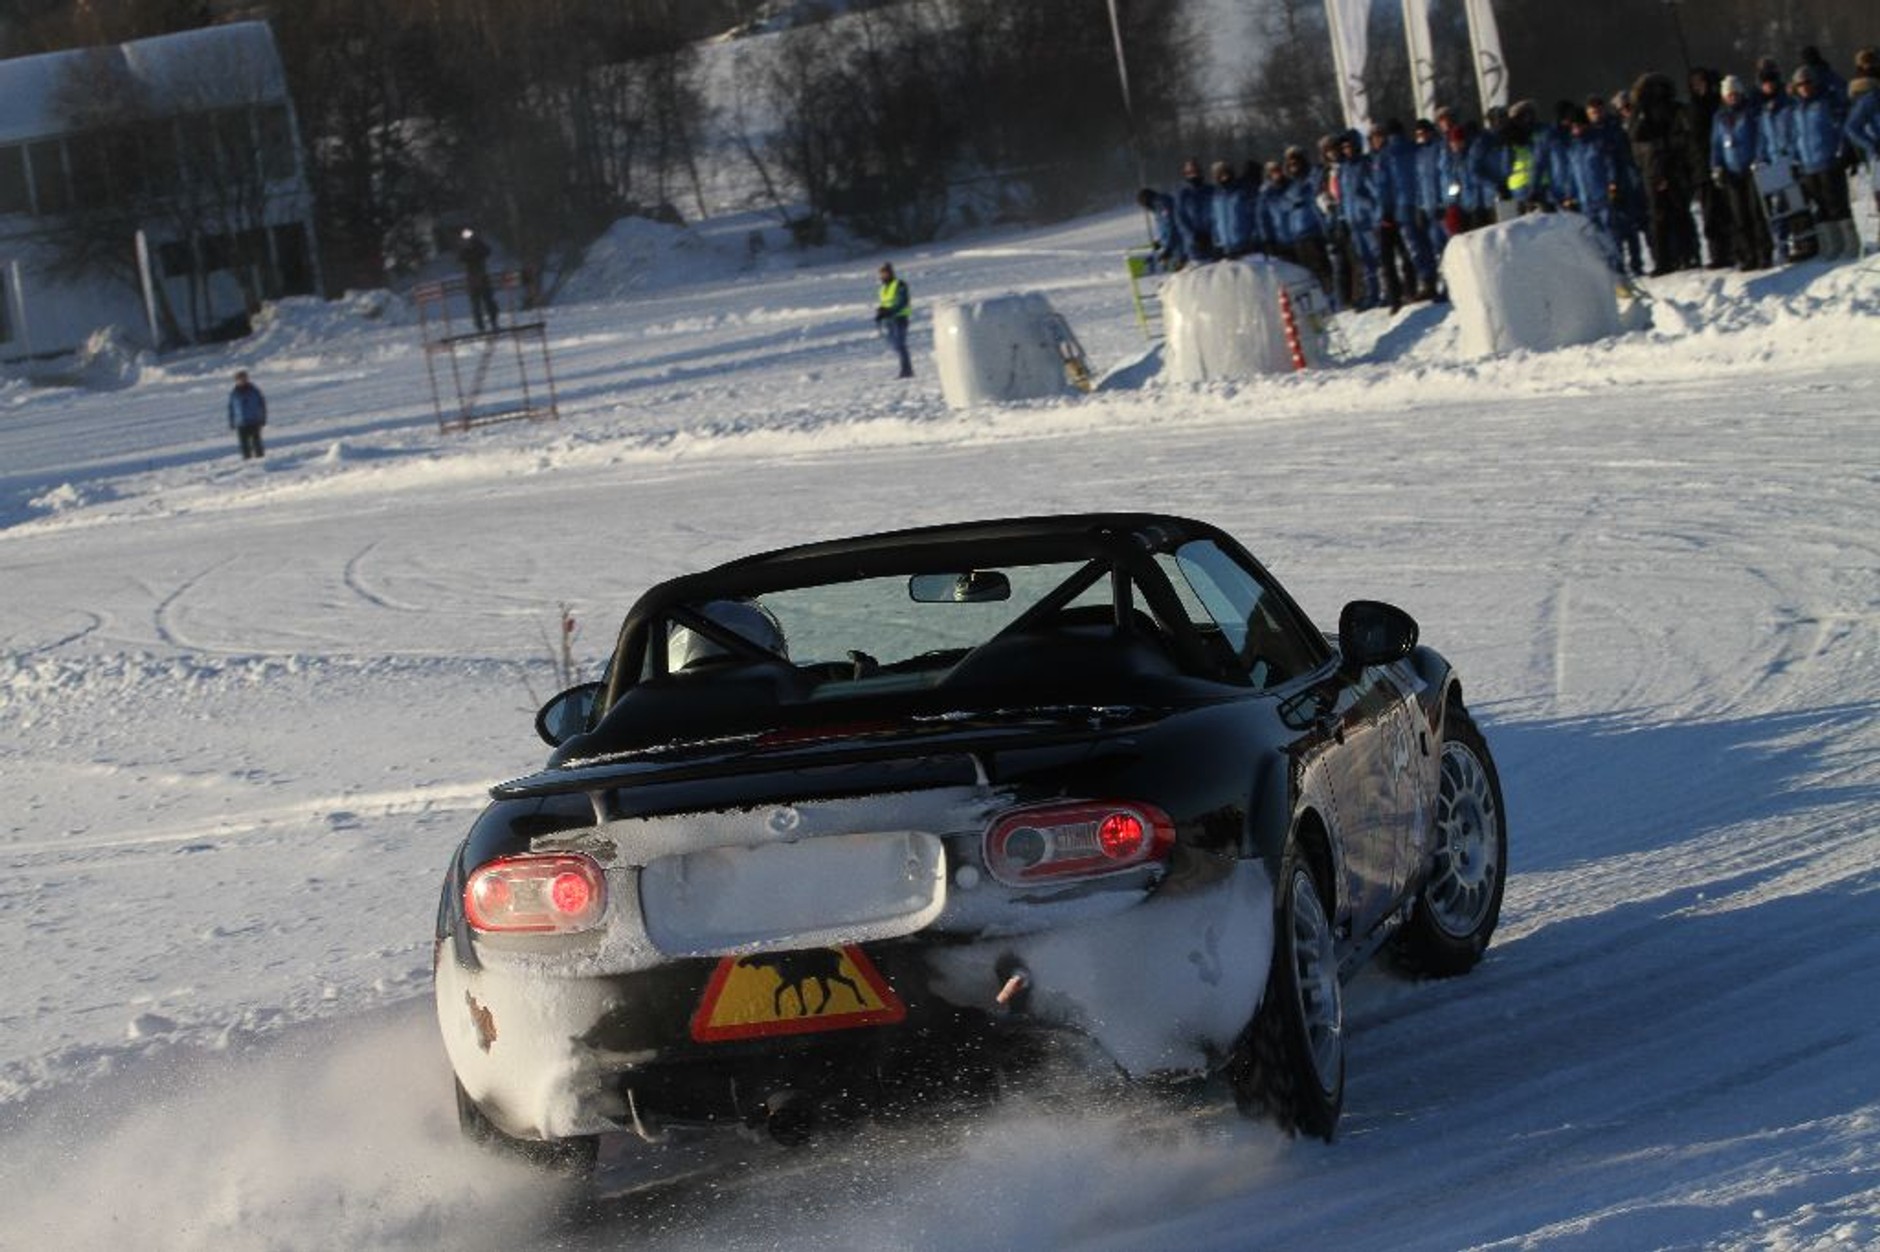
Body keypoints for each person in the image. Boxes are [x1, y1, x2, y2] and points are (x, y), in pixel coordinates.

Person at [1711, 75, 1773, 270]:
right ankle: (1747, 255)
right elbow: (1716, 144)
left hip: (1750, 169)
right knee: (1739, 215)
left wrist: (1759, 157)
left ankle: (1764, 253)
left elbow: (1761, 136)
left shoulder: (1751, 112)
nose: (1732, 98)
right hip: (1731, 171)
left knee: (1756, 212)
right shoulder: (1720, 117)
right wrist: (1716, 165)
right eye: (1729, 95)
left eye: (1735, 94)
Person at [874, 262, 913, 379]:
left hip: (899, 318)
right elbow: (885, 303)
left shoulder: (899, 284)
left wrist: (890, 311)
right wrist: (881, 312)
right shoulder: (882, 288)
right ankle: (906, 369)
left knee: (900, 344)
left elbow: (902, 301)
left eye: (885, 273)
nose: (883, 275)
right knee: (894, 344)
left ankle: (906, 370)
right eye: (882, 273)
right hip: (888, 320)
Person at [458, 227, 499, 332]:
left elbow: (487, 251)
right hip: (474, 279)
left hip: (480, 278)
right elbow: (461, 258)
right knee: (478, 305)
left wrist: (476, 243)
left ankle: (492, 323)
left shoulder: (478, 246)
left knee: (487, 302)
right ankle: (481, 326)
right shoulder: (465, 249)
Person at [228, 369, 267, 460]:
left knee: (256, 442)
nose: (242, 381)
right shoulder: (234, 394)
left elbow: (262, 405)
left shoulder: (254, 391)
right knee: (244, 444)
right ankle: (247, 460)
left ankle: (260, 458)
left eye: (244, 379)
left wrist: (263, 418)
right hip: (241, 422)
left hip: (254, 420)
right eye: (239, 379)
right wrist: (232, 421)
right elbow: (231, 409)